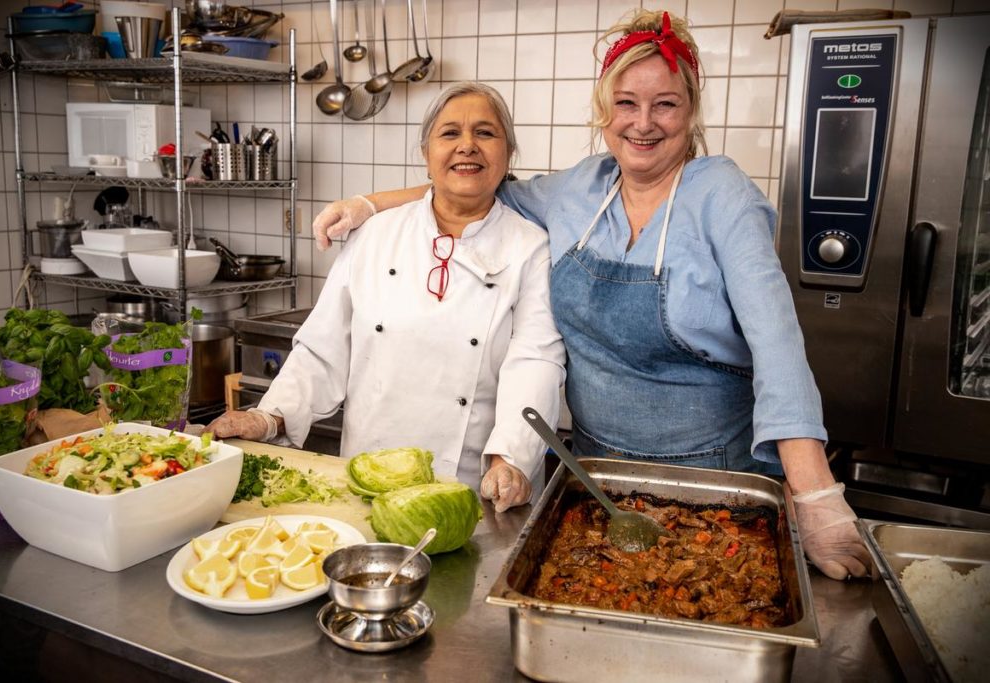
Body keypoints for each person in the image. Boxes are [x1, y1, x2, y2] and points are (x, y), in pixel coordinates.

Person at [310, 11, 871, 580]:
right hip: (592, 478)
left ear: (691, 110)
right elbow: (473, 183)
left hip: (713, 482)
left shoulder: (724, 196)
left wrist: (815, 496)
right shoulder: (580, 189)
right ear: (604, 113)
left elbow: (779, 348)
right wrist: (370, 205)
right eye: (626, 103)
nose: (644, 123)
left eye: (666, 104)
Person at [207, 82, 565, 513]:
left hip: (473, 485)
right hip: (367, 474)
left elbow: (535, 360)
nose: (467, 146)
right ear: (425, 153)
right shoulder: (376, 235)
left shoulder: (531, 247)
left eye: (485, 133)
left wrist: (512, 458)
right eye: (450, 133)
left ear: (508, 154)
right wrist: (270, 415)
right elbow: (324, 348)